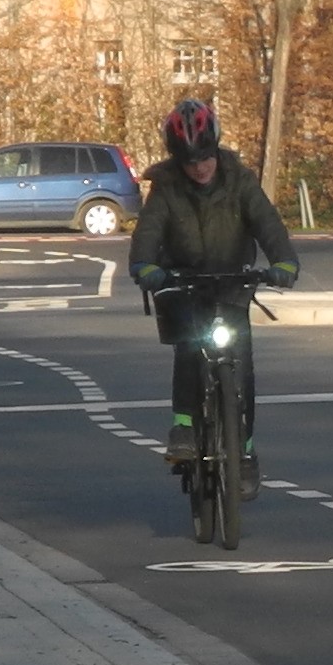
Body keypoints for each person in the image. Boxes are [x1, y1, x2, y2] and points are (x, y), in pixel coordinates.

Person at [129, 96, 298, 489]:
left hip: (232, 282)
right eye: (190, 161)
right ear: (177, 160)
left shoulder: (240, 180)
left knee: (243, 365)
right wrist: (146, 267)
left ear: (217, 149)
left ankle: (246, 450)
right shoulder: (167, 188)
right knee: (189, 346)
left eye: (205, 158)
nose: (200, 168)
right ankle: (184, 427)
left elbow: (268, 224)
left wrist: (284, 262)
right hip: (186, 283)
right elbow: (148, 233)